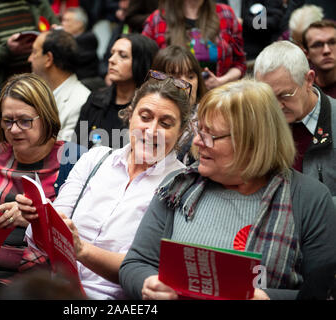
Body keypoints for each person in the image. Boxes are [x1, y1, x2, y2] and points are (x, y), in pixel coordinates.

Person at [119, 79, 336, 300]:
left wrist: (268, 298)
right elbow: (136, 263)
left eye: (209, 135)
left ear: (251, 144)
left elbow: (325, 293)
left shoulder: (309, 199)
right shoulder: (177, 187)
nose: (197, 141)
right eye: (198, 130)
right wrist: (148, 284)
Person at [18, 73, 192, 299]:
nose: (151, 130)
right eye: (145, 117)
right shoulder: (96, 159)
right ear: (130, 116)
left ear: (181, 133)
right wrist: (38, 219)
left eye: (166, 123)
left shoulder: (182, 184)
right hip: (55, 288)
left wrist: (81, 250)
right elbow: (48, 236)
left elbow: (143, 268)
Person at [0, 73, 86, 286]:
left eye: (25, 121)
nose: (14, 130)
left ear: (46, 117)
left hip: (45, 279)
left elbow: (84, 237)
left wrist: (33, 222)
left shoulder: (74, 160)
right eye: (7, 121)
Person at [254, 40, 336, 198]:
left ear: (309, 80)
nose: (276, 106)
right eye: (268, 97)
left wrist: (311, 212)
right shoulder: (257, 123)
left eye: (284, 95)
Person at [74, 33, 159, 149]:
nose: (111, 60)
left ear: (141, 63)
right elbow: (75, 150)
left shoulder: (149, 110)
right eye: (112, 53)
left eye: (123, 56)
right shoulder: (95, 100)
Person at [142, 0, 246, 90]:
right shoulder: (156, 19)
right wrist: (172, 84)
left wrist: (221, 81)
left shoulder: (226, 14)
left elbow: (240, 63)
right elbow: (145, 68)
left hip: (216, 98)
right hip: (171, 99)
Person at [28, 29, 91, 142]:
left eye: (34, 52)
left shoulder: (81, 101)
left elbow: (64, 151)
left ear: (48, 58)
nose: (30, 59)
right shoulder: (35, 92)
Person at [151, 45, 208, 164]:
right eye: (175, 77)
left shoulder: (208, 121)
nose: (185, 83)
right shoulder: (144, 116)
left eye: (191, 76)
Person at [0, 0, 59, 86]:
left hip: (39, 84)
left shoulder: (38, 2)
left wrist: (56, 35)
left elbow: (59, 36)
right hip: (2, 86)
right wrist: (6, 51)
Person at [61, 7, 105, 90]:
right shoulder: (70, 38)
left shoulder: (88, 38)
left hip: (86, 80)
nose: (63, 24)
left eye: (67, 20)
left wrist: (58, 37)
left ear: (79, 24)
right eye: (63, 20)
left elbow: (70, 58)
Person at [303, 20, 336, 98]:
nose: (326, 50)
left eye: (332, 42)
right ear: (306, 53)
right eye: (318, 45)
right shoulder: (304, 89)